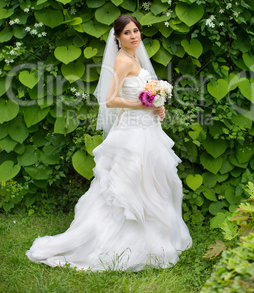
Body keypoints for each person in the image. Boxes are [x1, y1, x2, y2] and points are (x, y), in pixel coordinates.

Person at [26, 14, 192, 272]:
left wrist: (157, 107)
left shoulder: (135, 57)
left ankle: (154, 238)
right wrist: (144, 104)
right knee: (130, 183)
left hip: (146, 128)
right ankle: (119, 241)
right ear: (117, 37)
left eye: (136, 30)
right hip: (132, 131)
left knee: (152, 182)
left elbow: (143, 93)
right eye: (127, 32)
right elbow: (111, 99)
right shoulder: (122, 60)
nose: (133, 36)